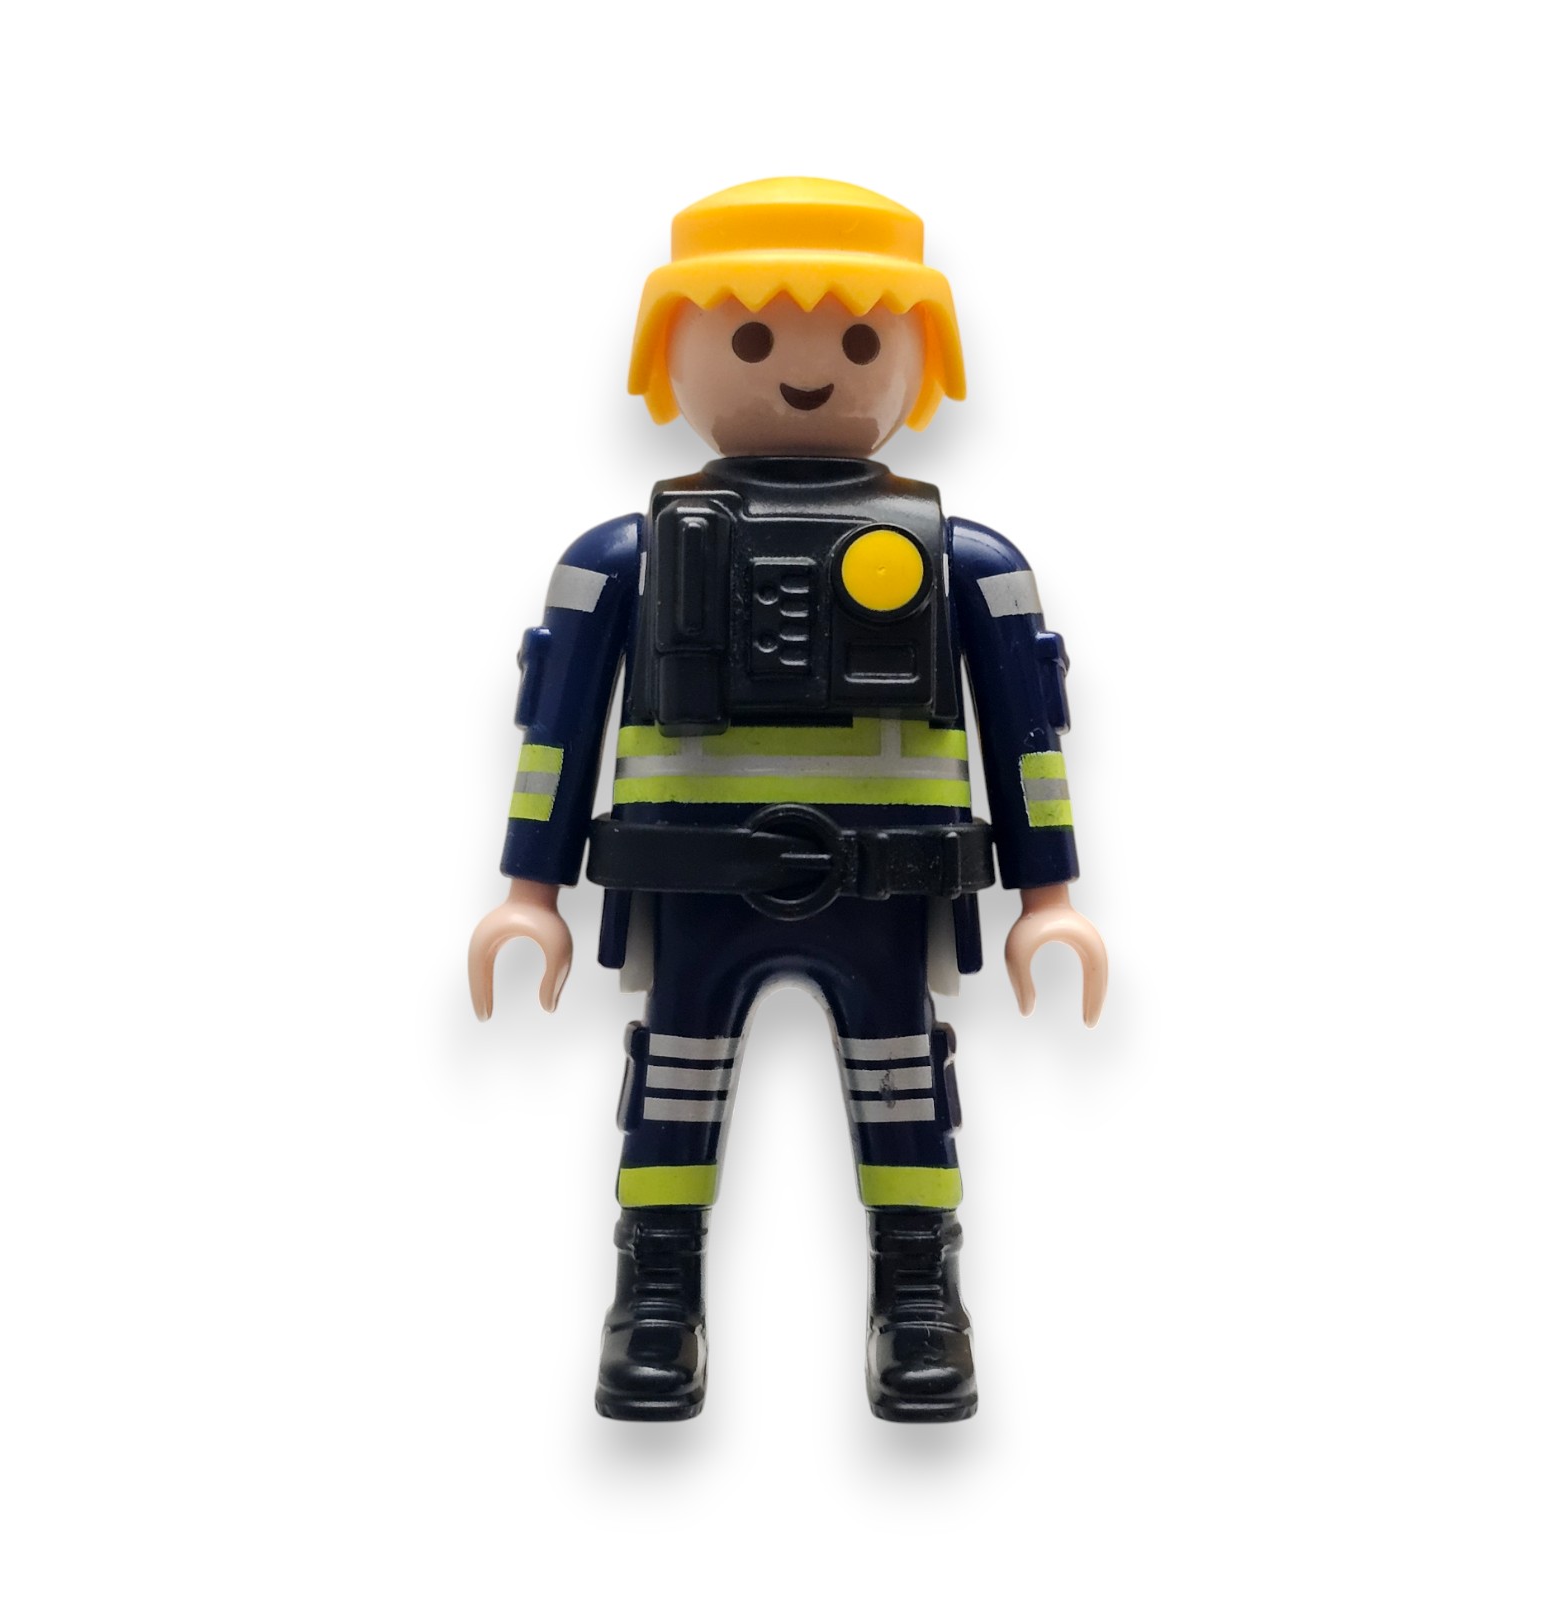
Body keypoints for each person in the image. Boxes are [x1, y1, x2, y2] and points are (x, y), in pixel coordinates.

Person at [468, 177, 1107, 1422]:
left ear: (921, 358)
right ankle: (656, 1292)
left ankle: (917, 1292)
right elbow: (555, 733)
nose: (809, 372)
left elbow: (1028, 734)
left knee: (903, 1083)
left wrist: (1051, 895)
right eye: (751, 338)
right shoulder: (618, 561)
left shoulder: (969, 563)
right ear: (671, 353)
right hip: (693, 884)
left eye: (861, 343)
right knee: (674, 1082)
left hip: (888, 890)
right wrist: (527, 888)